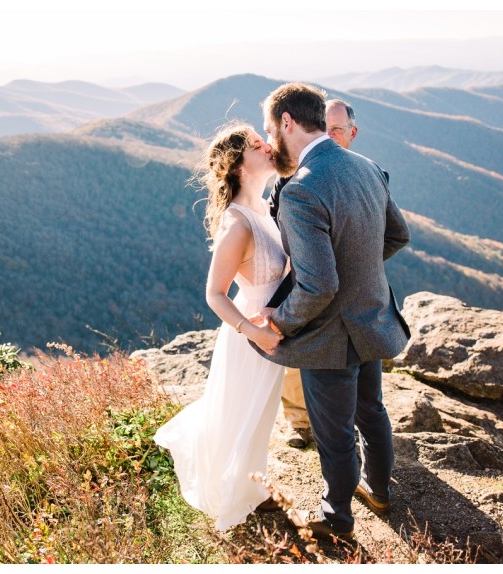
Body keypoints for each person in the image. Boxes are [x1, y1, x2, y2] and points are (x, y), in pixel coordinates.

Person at [252, 83, 411, 540]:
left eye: (270, 128)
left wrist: (279, 322)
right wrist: (358, 272)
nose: (269, 139)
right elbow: (397, 236)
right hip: (373, 316)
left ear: (287, 122)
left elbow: (318, 285)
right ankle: (379, 490)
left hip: (329, 335)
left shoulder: (302, 189)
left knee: (335, 433)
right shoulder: (365, 167)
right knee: (373, 412)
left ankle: (336, 518)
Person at [153, 122, 289, 531]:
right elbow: (214, 293)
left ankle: (251, 484)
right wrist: (255, 331)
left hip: (274, 325)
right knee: (242, 413)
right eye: (255, 144)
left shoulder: (264, 207)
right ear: (238, 165)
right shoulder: (238, 222)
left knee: (259, 413)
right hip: (252, 334)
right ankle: (238, 492)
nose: (267, 146)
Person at [272, 98, 362, 449]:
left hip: (351, 287)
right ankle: (299, 421)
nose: (331, 133)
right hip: (304, 281)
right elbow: (276, 222)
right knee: (296, 352)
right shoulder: (293, 177)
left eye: (338, 129)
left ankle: (344, 421)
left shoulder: (363, 172)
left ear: (351, 134)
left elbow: (386, 233)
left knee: (348, 359)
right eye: (327, 127)